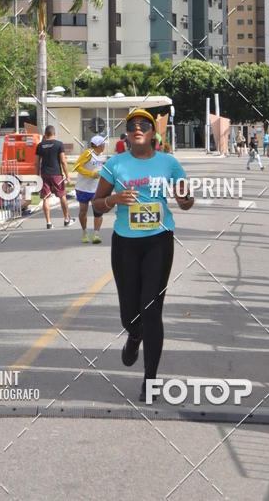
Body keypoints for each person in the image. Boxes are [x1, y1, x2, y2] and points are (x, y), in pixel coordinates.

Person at [93, 108, 194, 402]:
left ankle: (150, 381)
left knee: (151, 309)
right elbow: (97, 204)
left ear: (153, 134)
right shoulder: (115, 164)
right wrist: (114, 198)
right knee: (129, 313)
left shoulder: (169, 163)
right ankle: (133, 334)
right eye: (132, 125)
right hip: (125, 243)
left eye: (144, 125)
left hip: (158, 242)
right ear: (127, 135)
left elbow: (186, 201)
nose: (137, 128)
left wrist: (184, 199)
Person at [35, 125, 73, 229]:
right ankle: (66, 219)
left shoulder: (40, 146)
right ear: (54, 134)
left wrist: (37, 177)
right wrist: (68, 176)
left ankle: (48, 223)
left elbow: (36, 163)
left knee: (45, 198)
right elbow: (63, 161)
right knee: (62, 196)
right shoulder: (59, 144)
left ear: (45, 134)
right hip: (56, 174)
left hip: (44, 175)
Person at [73, 135, 106, 244]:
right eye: (103, 144)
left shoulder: (101, 156)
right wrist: (91, 174)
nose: (104, 146)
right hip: (83, 188)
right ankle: (85, 232)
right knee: (83, 211)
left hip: (96, 188)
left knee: (98, 211)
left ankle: (96, 234)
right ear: (99, 145)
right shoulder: (88, 153)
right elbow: (77, 166)